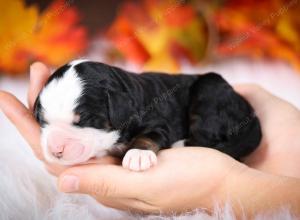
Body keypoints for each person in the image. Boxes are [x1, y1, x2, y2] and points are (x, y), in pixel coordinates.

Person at [0, 62, 299, 218]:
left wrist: (144, 146)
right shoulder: (112, 98)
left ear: (116, 106)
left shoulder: (134, 107)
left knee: (208, 94)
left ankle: (208, 143)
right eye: (45, 122)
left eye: (81, 123)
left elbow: (156, 129)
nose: (56, 144)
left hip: (207, 95)